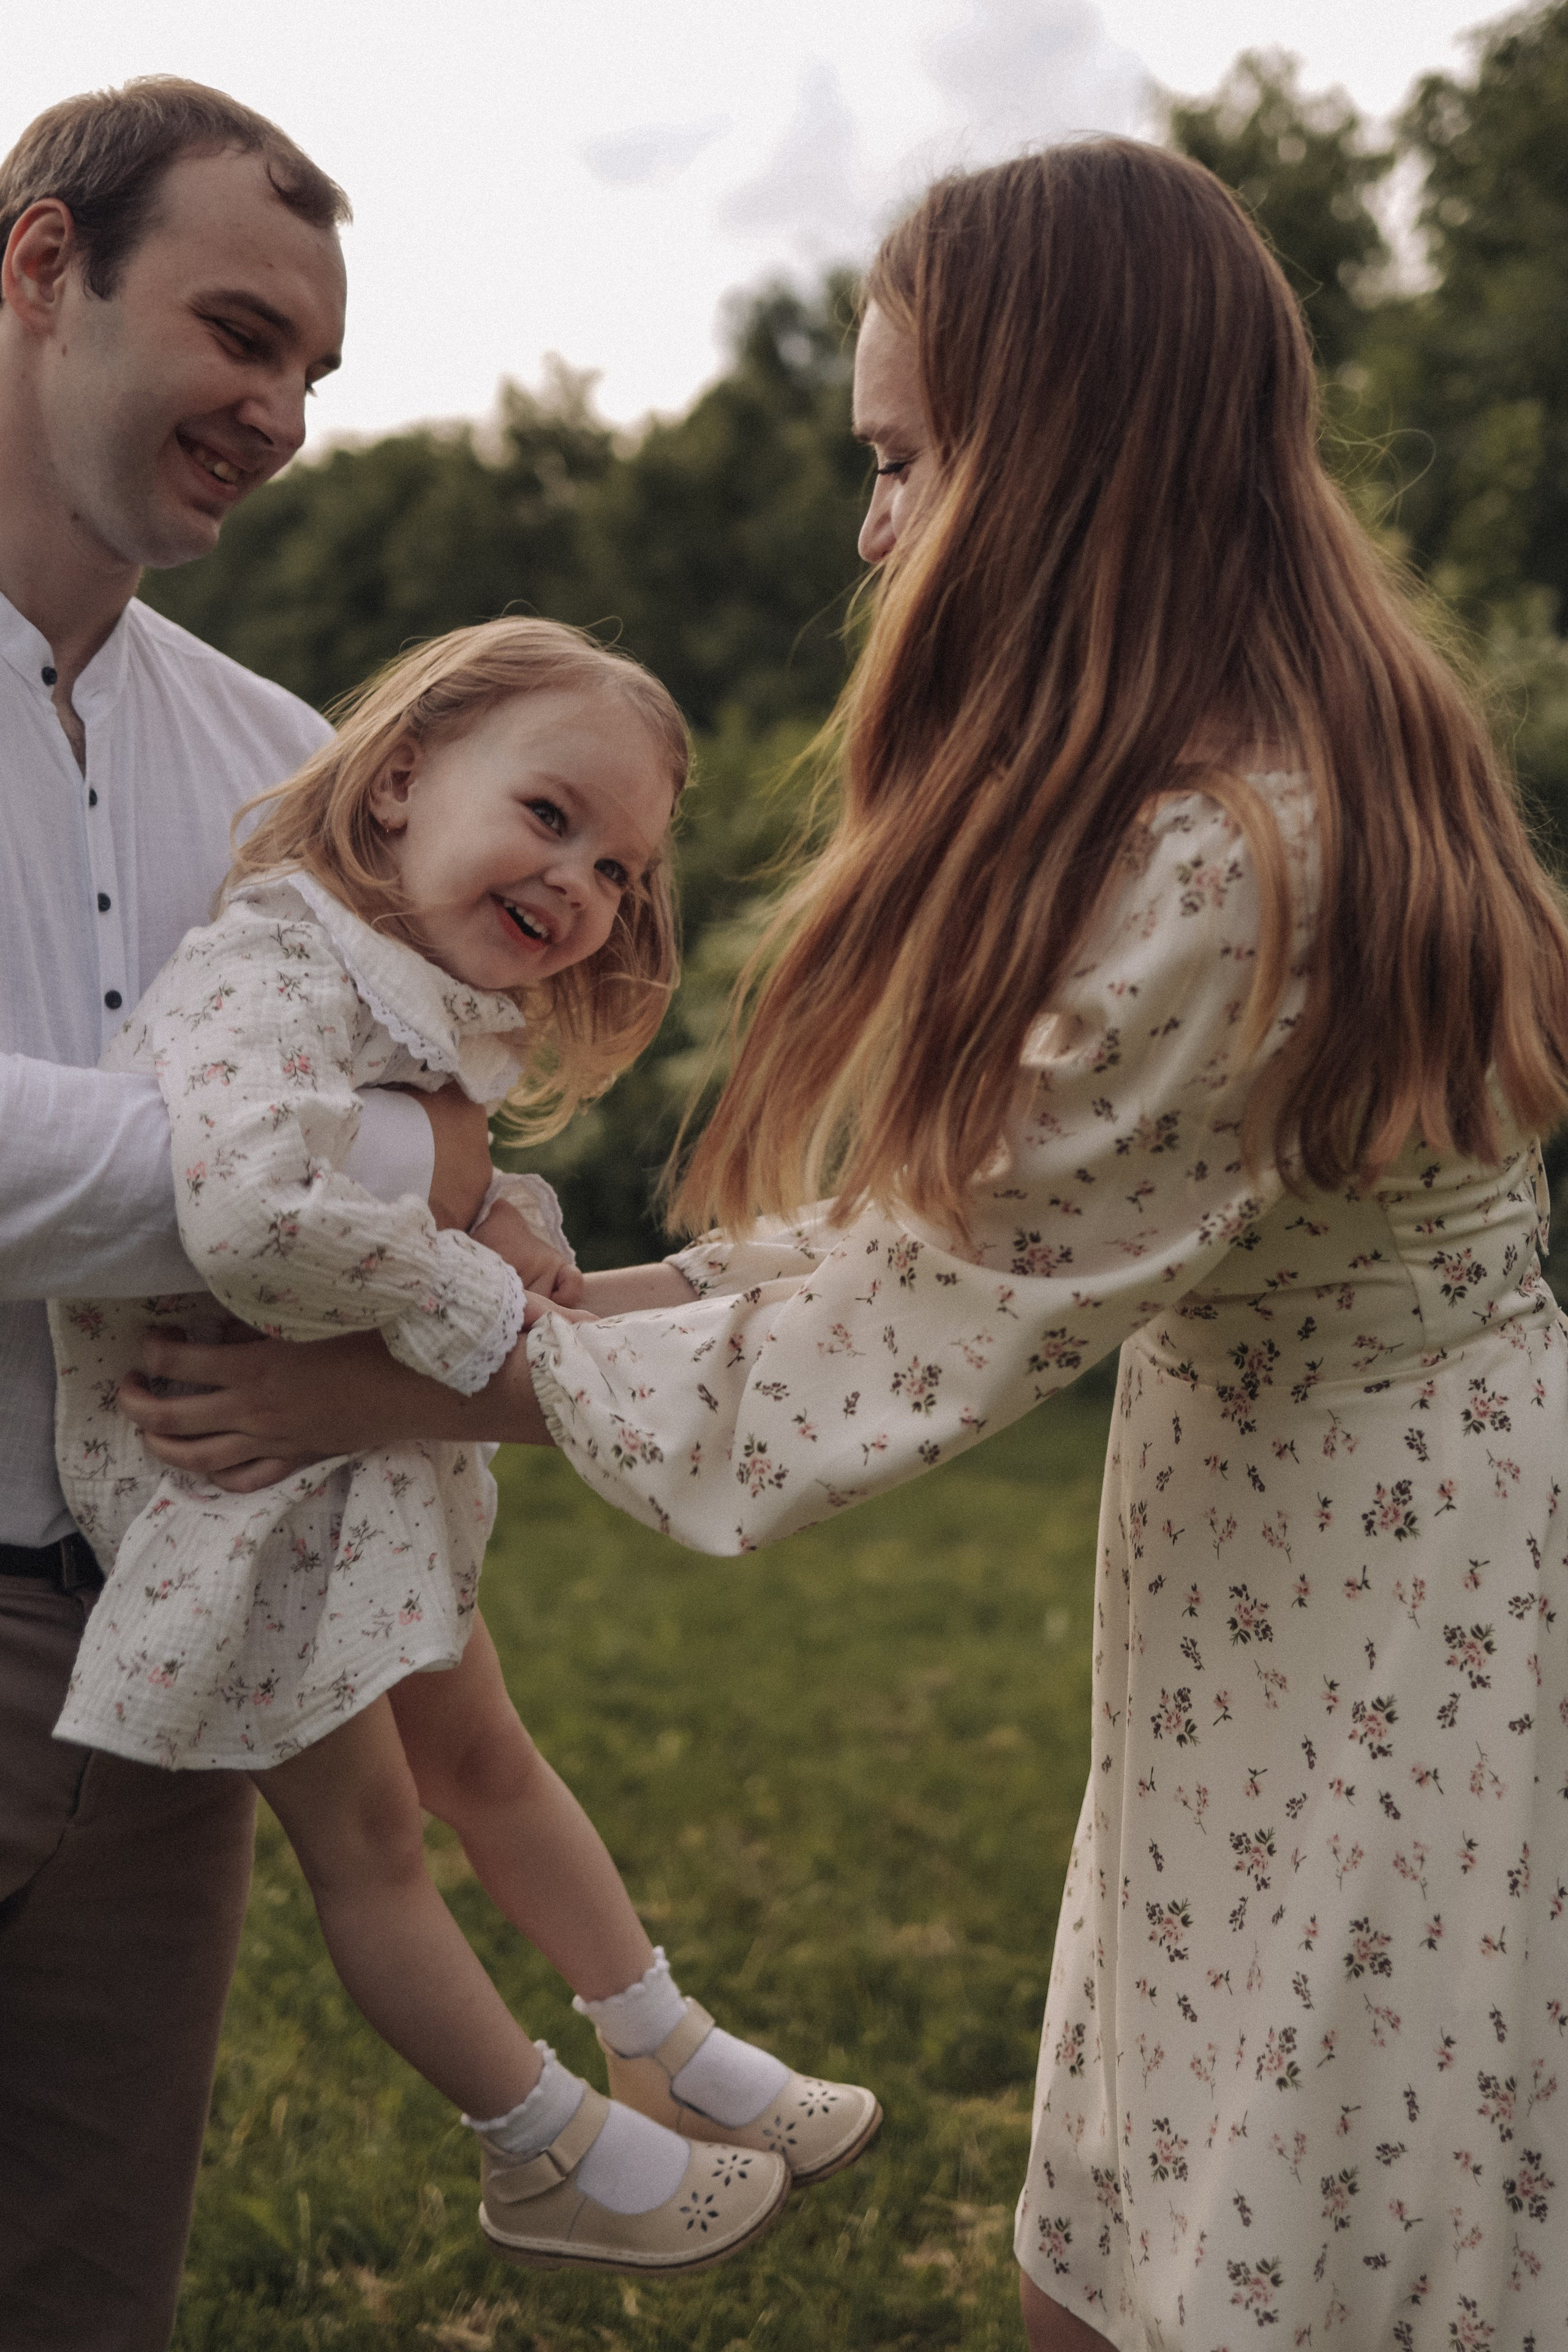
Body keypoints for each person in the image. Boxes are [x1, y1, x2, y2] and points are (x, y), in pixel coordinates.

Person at [123, 143, 1568, 2342]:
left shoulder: (1234, 852)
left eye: (905, 461)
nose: (874, 531)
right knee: (1172, 2207)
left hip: (1393, 1620)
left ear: (1062, 459)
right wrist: (589, 1300)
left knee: (1298, 2223)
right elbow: (944, 1229)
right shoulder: (1253, 764)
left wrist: (383, 1382)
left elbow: (892, 1341)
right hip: (1295, 1561)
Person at [50, 616, 880, 2276]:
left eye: (621, 869)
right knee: (369, 1842)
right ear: (401, 785)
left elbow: (388, 1194)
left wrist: (484, 1208)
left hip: (330, 1452)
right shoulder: (274, 966)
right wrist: (475, 1288)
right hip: (222, 1479)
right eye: (551, 817)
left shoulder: (404, 995)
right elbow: (249, 1210)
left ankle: (662, 2042)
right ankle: (541, 2148)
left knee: (489, 1760)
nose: (582, 883)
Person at [0, 77, 497, 2351]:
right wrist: (339, 1190)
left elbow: (465, 1121)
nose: (279, 413)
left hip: (159, 1665)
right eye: (236, 332)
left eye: (313, 367)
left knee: (86, 2294)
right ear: (42, 269)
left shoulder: (287, 773)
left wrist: (402, 1195)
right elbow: (408, 1171)